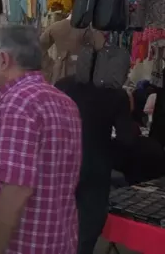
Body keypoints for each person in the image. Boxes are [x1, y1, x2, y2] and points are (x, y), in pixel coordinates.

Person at [0, 25, 82, 254]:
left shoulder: (17, 105)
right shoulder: (65, 103)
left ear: (3, 60)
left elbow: (15, 192)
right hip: (58, 242)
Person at [54, 75, 135, 254]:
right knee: (84, 239)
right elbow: (126, 140)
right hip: (95, 172)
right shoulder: (115, 93)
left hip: (61, 169)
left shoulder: (62, 85)